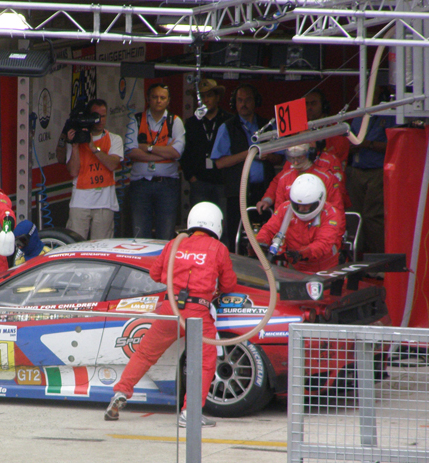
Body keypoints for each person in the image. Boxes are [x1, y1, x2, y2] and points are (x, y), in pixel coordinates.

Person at [104, 202, 239, 428]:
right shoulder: (218, 248)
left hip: (170, 308)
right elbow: (229, 284)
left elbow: (155, 274)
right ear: (217, 224)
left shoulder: (174, 244)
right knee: (205, 363)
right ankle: (190, 413)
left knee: (145, 354)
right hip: (198, 313)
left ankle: (121, 392)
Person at [210, 83, 281, 248]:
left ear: (256, 101)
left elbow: (280, 159)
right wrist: (250, 153)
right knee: (237, 239)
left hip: (264, 192)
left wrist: (269, 156)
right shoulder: (227, 127)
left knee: (264, 237)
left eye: (248, 100)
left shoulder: (268, 125)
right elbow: (219, 162)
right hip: (238, 193)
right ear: (234, 103)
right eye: (239, 100)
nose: (243, 104)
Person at [124, 83, 185, 240]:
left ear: (168, 101)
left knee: (165, 234)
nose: (158, 100)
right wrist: (164, 154)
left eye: (162, 98)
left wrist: (147, 148)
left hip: (167, 184)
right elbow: (130, 151)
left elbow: (176, 152)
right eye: (155, 97)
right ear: (148, 99)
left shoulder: (175, 121)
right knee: (140, 234)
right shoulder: (136, 120)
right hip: (140, 184)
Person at [256, 173, 345, 273]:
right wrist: (260, 243)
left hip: (325, 270)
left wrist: (302, 253)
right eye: (298, 205)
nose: (301, 209)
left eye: (306, 205)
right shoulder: (285, 209)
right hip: (294, 268)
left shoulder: (331, 214)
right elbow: (269, 229)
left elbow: (323, 243)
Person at [179, 79, 231, 239]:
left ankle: (222, 252)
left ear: (217, 97)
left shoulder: (228, 120)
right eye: (202, 97)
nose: (206, 100)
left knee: (223, 226)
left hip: (222, 182)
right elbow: (184, 153)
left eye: (209, 96)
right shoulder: (192, 122)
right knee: (199, 226)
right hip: (199, 183)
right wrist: (191, 177)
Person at [65, 98, 123, 240]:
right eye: (96, 116)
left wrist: (93, 148)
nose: (100, 120)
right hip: (80, 202)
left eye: (103, 116)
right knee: (75, 245)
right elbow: (73, 171)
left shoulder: (114, 139)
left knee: (101, 247)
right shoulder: (77, 139)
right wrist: (75, 146)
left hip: (105, 203)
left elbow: (112, 164)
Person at [346, 106, 394, 255]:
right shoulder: (358, 115)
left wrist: (367, 144)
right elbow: (349, 142)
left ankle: (378, 257)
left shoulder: (389, 114)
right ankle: (357, 256)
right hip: (356, 170)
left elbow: (393, 144)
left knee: (373, 216)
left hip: (377, 171)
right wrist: (353, 146)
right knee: (356, 215)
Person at [256, 143, 346, 213]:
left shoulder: (326, 176)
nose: (295, 162)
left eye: (299, 157)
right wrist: (267, 200)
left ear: (309, 155)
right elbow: (279, 214)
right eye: (292, 158)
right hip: (292, 227)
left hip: (319, 226)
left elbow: (336, 209)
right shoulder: (285, 178)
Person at [305, 89, 350, 169]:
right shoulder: (302, 130)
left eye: (313, 103)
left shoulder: (337, 129)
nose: (309, 107)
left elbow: (335, 159)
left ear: (324, 106)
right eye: (306, 104)